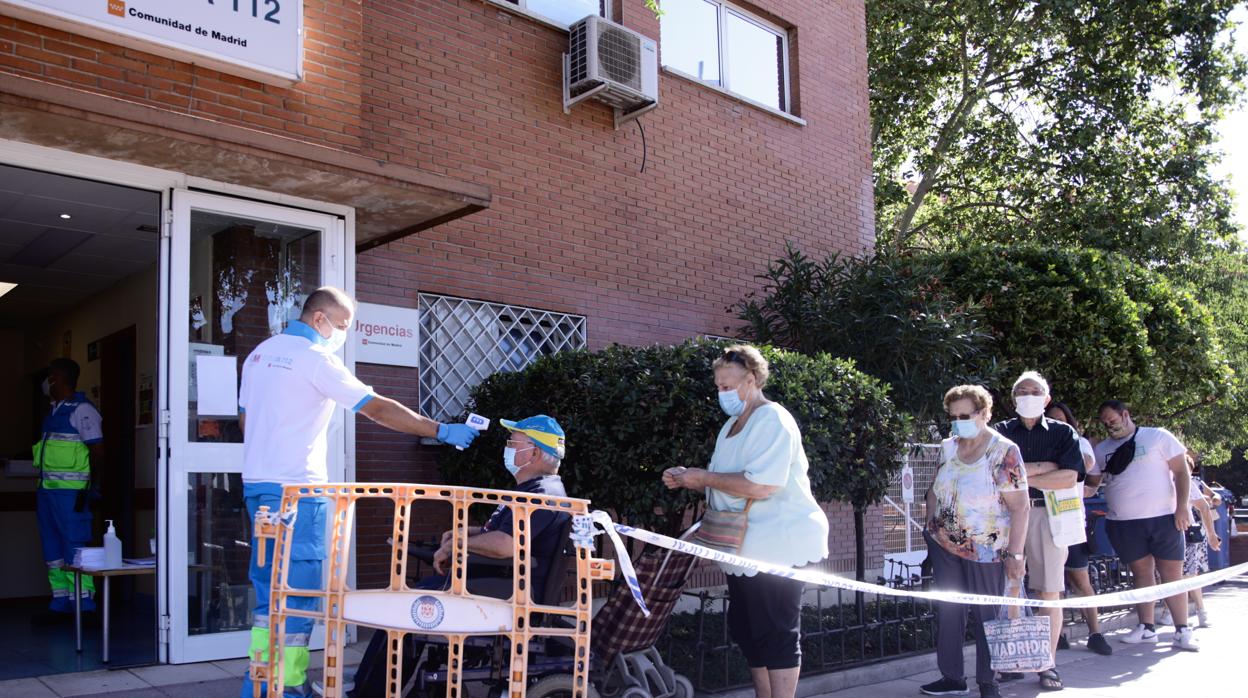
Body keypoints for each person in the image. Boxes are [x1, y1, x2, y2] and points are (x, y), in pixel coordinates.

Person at [238, 287, 480, 698]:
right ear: (319, 319)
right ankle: (286, 692)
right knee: (297, 603)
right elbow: (377, 408)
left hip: (258, 489)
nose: (342, 334)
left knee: (268, 604)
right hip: (298, 496)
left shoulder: (260, 354)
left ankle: (260, 686)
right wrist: (440, 430)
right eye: (342, 326)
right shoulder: (316, 361)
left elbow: (245, 421)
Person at [345, 415, 571, 698]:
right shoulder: (533, 490)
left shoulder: (541, 495)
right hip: (499, 583)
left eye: (513, 442)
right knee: (409, 602)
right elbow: (498, 531)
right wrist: (464, 534)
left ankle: (366, 694)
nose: (508, 447)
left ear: (535, 452)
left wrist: (458, 544)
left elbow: (506, 545)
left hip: (507, 592)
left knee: (406, 607)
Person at [662, 345, 828, 698]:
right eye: (718, 387)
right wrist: (688, 477)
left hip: (779, 542)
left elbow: (761, 484)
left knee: (776, 631)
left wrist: (701, 477)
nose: (722, 393)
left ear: (751, 380)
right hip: (745, 545)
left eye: (728, 386)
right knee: (748, 630)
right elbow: (723, 478)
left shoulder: (772, 418)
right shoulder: (730, 426)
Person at [919, 385, 1028, 698]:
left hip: (987, 548)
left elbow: (1021, 506)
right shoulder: (948, 446)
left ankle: (988, 681)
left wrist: (1016, 555)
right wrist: (930, 522)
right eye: (953, 416)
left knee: (986, 615)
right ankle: (952, 677)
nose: (957, 422)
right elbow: (935, 487)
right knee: (950, 611)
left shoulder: (1004, 451)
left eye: (964, 415)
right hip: (945, 544)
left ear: (984, 414)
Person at [991, 371, 1083, 691]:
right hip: (1006, 517)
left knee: (1049, 591)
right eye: (1022, 391)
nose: (1028, 395)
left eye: (1035, 391)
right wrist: (1045, 468)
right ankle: (1013, 661)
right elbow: (994, 475)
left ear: (1046, 399)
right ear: (1014, 398)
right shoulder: (999, 432)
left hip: (1048, 514)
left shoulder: (1062, 433)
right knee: (1011, 587)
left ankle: (1048, 664)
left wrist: (1020, 476)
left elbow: (1069, 478)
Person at [1093, 400, 1198, 651]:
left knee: (1172, 574)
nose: (1110, 426)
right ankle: (1146, 627)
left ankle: (1182, 629)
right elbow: (1092, 480)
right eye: (1105, 423)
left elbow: (1182, 472)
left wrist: (1182, 507)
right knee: (1141, 573)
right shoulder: (1102, 449)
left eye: (1113, 420)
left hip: (1163, 517)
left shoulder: (1157, 436)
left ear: (1126, 414)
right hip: (1124, 521)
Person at [33, 357, 102, 619]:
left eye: (49, 375)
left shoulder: (82, 409)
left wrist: (91, 487)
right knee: (52, 547)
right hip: (47, 492)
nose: (47, 381)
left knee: (74, 546)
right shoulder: (53, 411)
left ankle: (84, 604)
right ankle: (60, 602)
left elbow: (97, 451)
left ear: (58, 378)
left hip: (72, 493)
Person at [1044, 402, 1112, 656]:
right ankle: (1057, 635)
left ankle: (1095, 633)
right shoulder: (1040, 443)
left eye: (1063, 419)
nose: (1058, 424)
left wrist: (1047, 466)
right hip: (1044, 520)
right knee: (1052, 583)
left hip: (1071, 521)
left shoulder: (1079, 442)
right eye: (1052, 420)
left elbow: (1081, 466)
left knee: (1080, 580)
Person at [1180, 454, 1220, 628]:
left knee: (1189, 574)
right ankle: (1169, 612)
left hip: (1191, 531)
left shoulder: (1193, 482)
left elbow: (1210, 500)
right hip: (1170, 531)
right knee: (1169, 575)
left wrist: (1211, 534)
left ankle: (1201, 610)